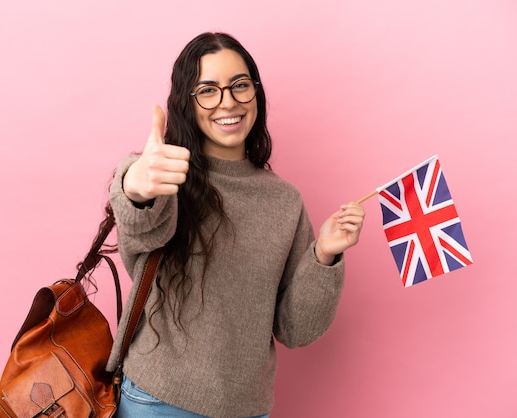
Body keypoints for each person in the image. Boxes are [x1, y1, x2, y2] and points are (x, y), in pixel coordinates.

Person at [106, 32, 365, 418]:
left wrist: (324, 256)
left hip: (246, 409)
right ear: (187, 104)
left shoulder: (284, 201)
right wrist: (134, 184)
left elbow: (295, 329)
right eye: (208, 90)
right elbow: (142, 226)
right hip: (158, 400)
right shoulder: (166, 177)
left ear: (256, 93)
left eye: (240, 86)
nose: (228, 102)